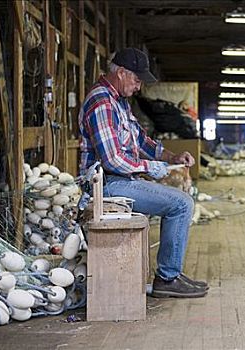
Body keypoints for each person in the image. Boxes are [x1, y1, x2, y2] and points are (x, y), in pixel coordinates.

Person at [79, 47, 208, 298]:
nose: (138, 87)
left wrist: (172, 157)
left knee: (178, 202)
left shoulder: (119, 103)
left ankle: (171, 274)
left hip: (121, 180)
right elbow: (113, 159)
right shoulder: (101, 102)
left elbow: (142, 141)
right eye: (137, 80)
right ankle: (167, 279)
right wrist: (153, 168)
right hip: (105, 185)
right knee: (181, 204)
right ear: (123, 73)